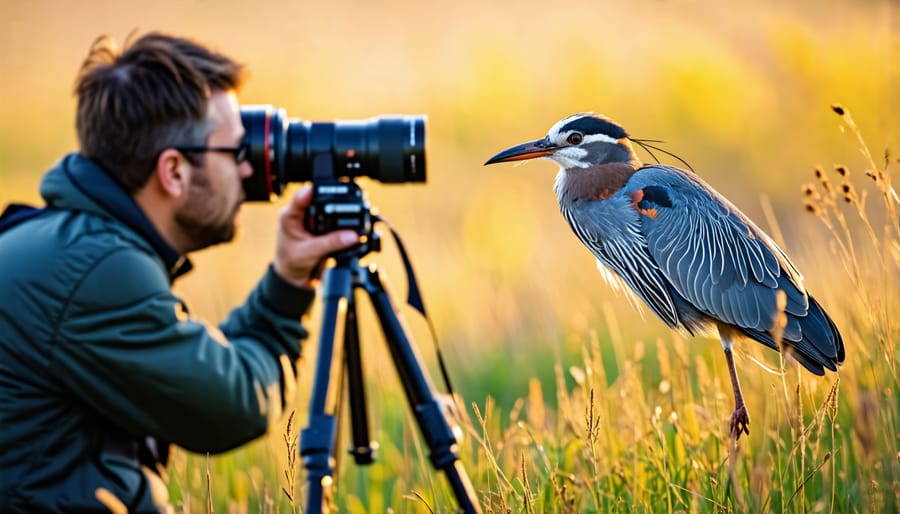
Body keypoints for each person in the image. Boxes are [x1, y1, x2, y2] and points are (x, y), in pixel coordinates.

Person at [0, 32, 360, 513]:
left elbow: (200, 368)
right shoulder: (97, 271)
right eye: (238, 151)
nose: (253, 170)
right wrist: (285, 301)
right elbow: (230, 406)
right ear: (172, 172)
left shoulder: (63, 246)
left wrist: (287, 279)